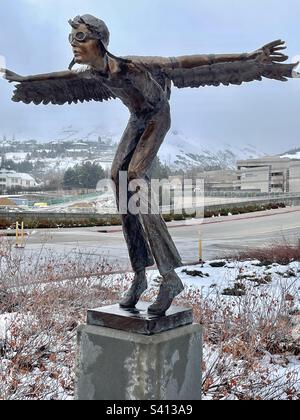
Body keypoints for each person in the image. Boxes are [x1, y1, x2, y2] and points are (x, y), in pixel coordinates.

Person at [1, 14, 297, 315]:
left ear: (100, 41)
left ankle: (169, 277)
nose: (74, 45)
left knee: (136, 177)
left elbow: (194, 62)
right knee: (116, 177)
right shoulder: (92, 75)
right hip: (137, 119)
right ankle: (140, 274)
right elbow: (50, 81)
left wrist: (250, 57)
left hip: (157, 117)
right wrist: (22, 81)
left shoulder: (136, 66)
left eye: (80, 38)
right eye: (71, 39)